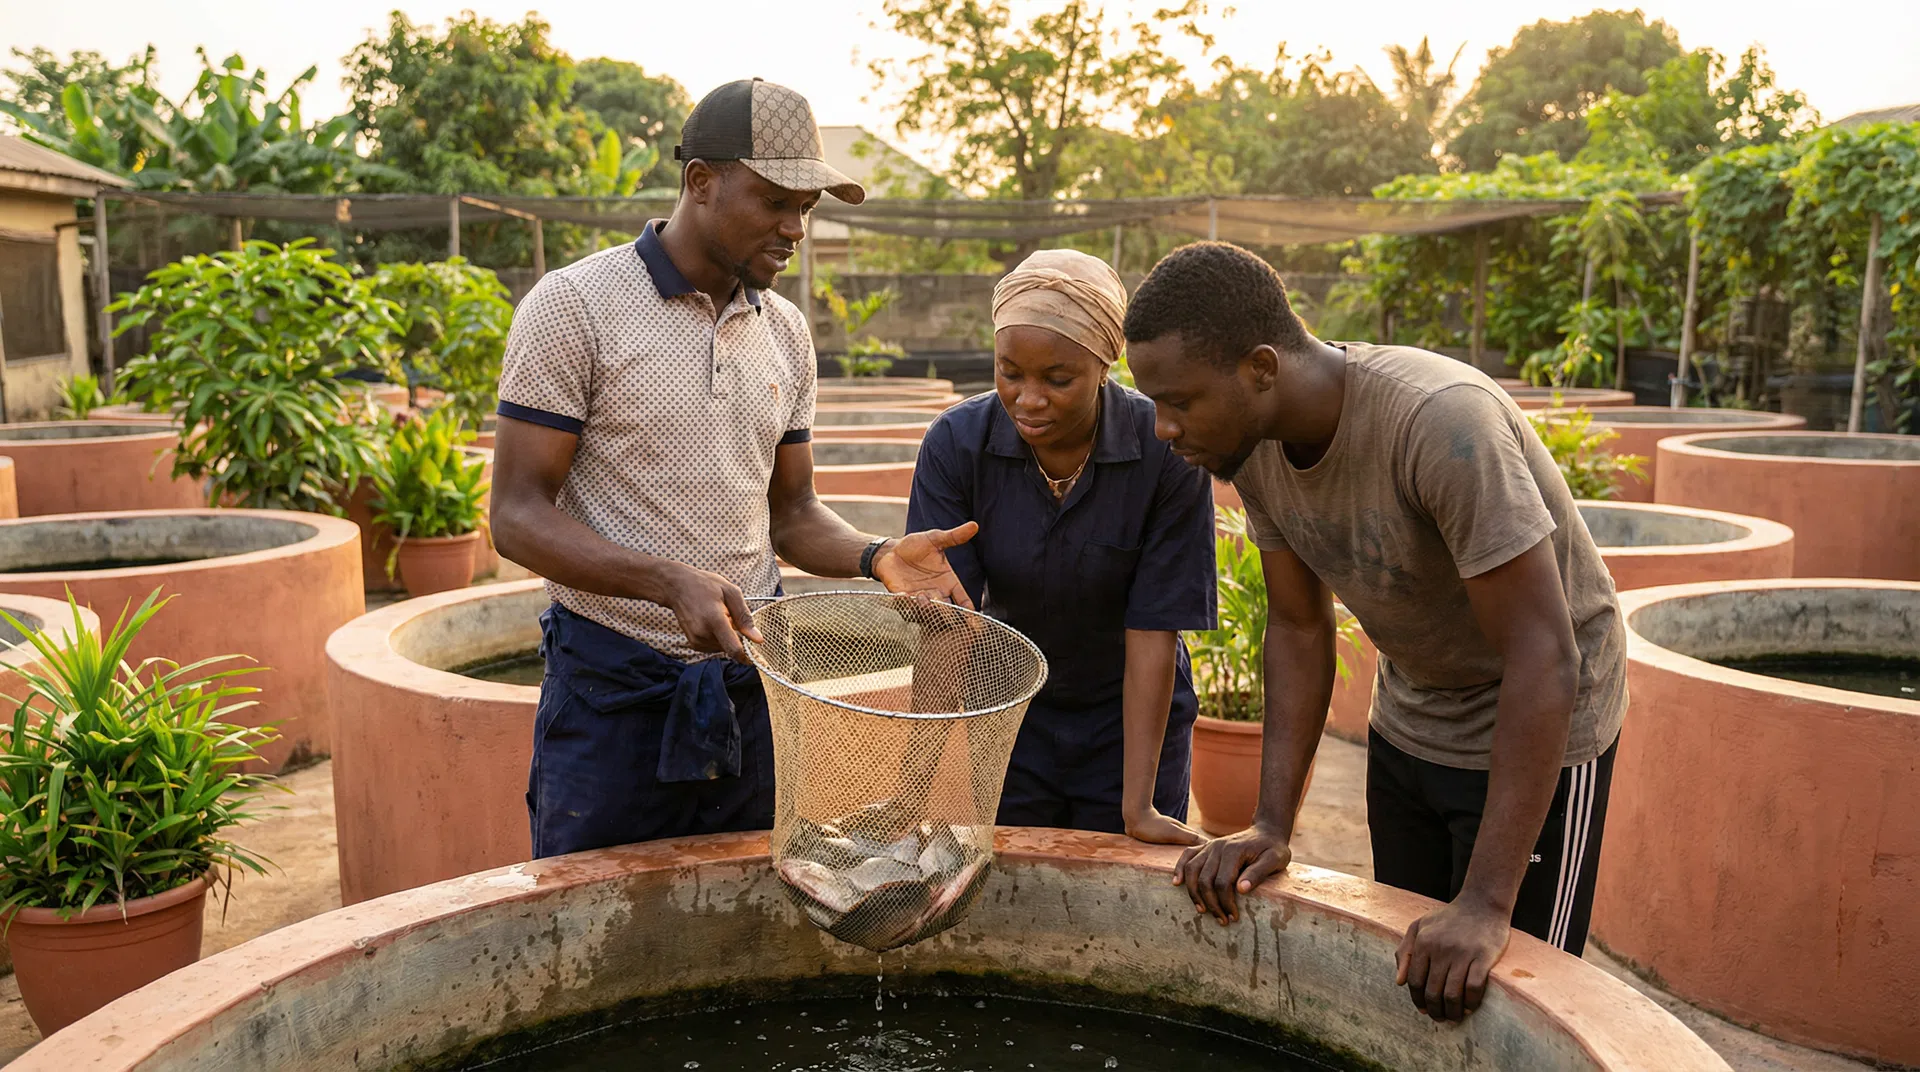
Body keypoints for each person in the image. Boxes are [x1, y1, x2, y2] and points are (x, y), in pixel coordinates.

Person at [1122, 242, 1626, 1024]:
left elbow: (1544, 654)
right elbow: (1296, 624)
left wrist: (1490, 902)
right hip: (1414, 712)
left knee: (1513, 999)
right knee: (1415, 981)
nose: (1162, 428)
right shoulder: (1249, 447)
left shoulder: (1440, 424)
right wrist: (1270, 825)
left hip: (1541, 724)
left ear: (1261, 367)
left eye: (1179, 401)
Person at [490, 78, 976, 859]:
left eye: (807, 208)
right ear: (701, 182)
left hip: (751, 688)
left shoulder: (783, 332)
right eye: (776, 200)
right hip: (613, 689)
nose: (795, 228)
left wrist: (876, 555)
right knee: (597, 931)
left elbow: (793, 513)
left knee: (747, 928)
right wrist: (665, 581)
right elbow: (515, 514)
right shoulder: (575, 306)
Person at [907, 249, 1217, 844]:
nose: (1028, 399)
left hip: (1129, 718)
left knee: (1126, 892)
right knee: (1024, 894)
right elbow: (946, 622)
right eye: (1009, 373)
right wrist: (911, 793)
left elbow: (1153, 630)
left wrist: (1140, 807)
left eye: (1057, 379)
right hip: (1012, 712)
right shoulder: (957, 445)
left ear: (1106, 365)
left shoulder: (1164, 452)